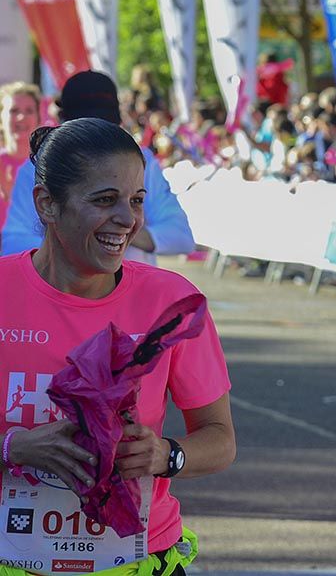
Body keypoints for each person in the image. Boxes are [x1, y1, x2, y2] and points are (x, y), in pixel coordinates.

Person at [0, 117, 235, 574]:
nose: (128, 220)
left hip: (137, 562)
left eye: (136, 200)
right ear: (46, 204)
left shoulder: (173, 302)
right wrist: (13, 448)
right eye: (105, 200)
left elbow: (220, 439)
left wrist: (164, 454)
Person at [2, 71, 195, 263]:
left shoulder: (139, 160)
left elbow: (182, 236)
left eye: (136, 200)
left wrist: (116, 233)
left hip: (131, 289)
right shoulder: (38, 166)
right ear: (62, 123)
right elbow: (13, 241)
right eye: (84, 129)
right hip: (62, 290)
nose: (96, 139)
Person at [0, 82, 40, 231]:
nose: (21, 117)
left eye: (29, 111)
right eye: (13, 111)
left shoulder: (49, 168)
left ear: (38, 117)